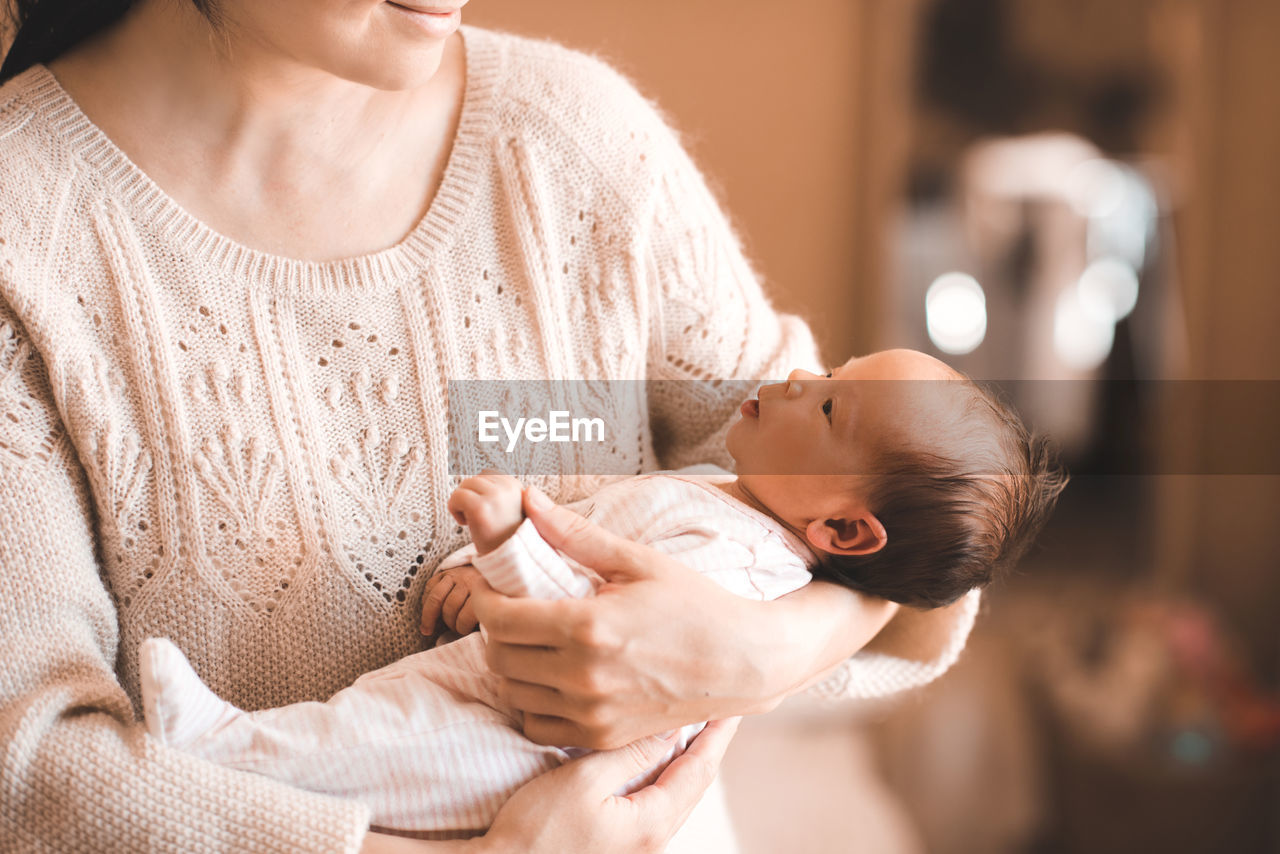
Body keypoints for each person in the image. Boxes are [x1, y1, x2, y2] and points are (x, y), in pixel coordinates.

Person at [0, 0, 974, 849]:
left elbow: (893, 503)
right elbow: (34, 764)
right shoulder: (26, 227)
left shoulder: (578, 144)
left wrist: (768, 651)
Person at [136, 348, 1067, 837]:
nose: (793, 376)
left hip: (520, 752)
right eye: (829, 371)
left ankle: (224, 753)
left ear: (844, 534)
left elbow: (589, 622)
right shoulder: (730, 499)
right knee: (374, 720)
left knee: (372, 742)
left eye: (827, 403)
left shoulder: (741, 558)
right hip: (500, 713)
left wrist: (504, 548)